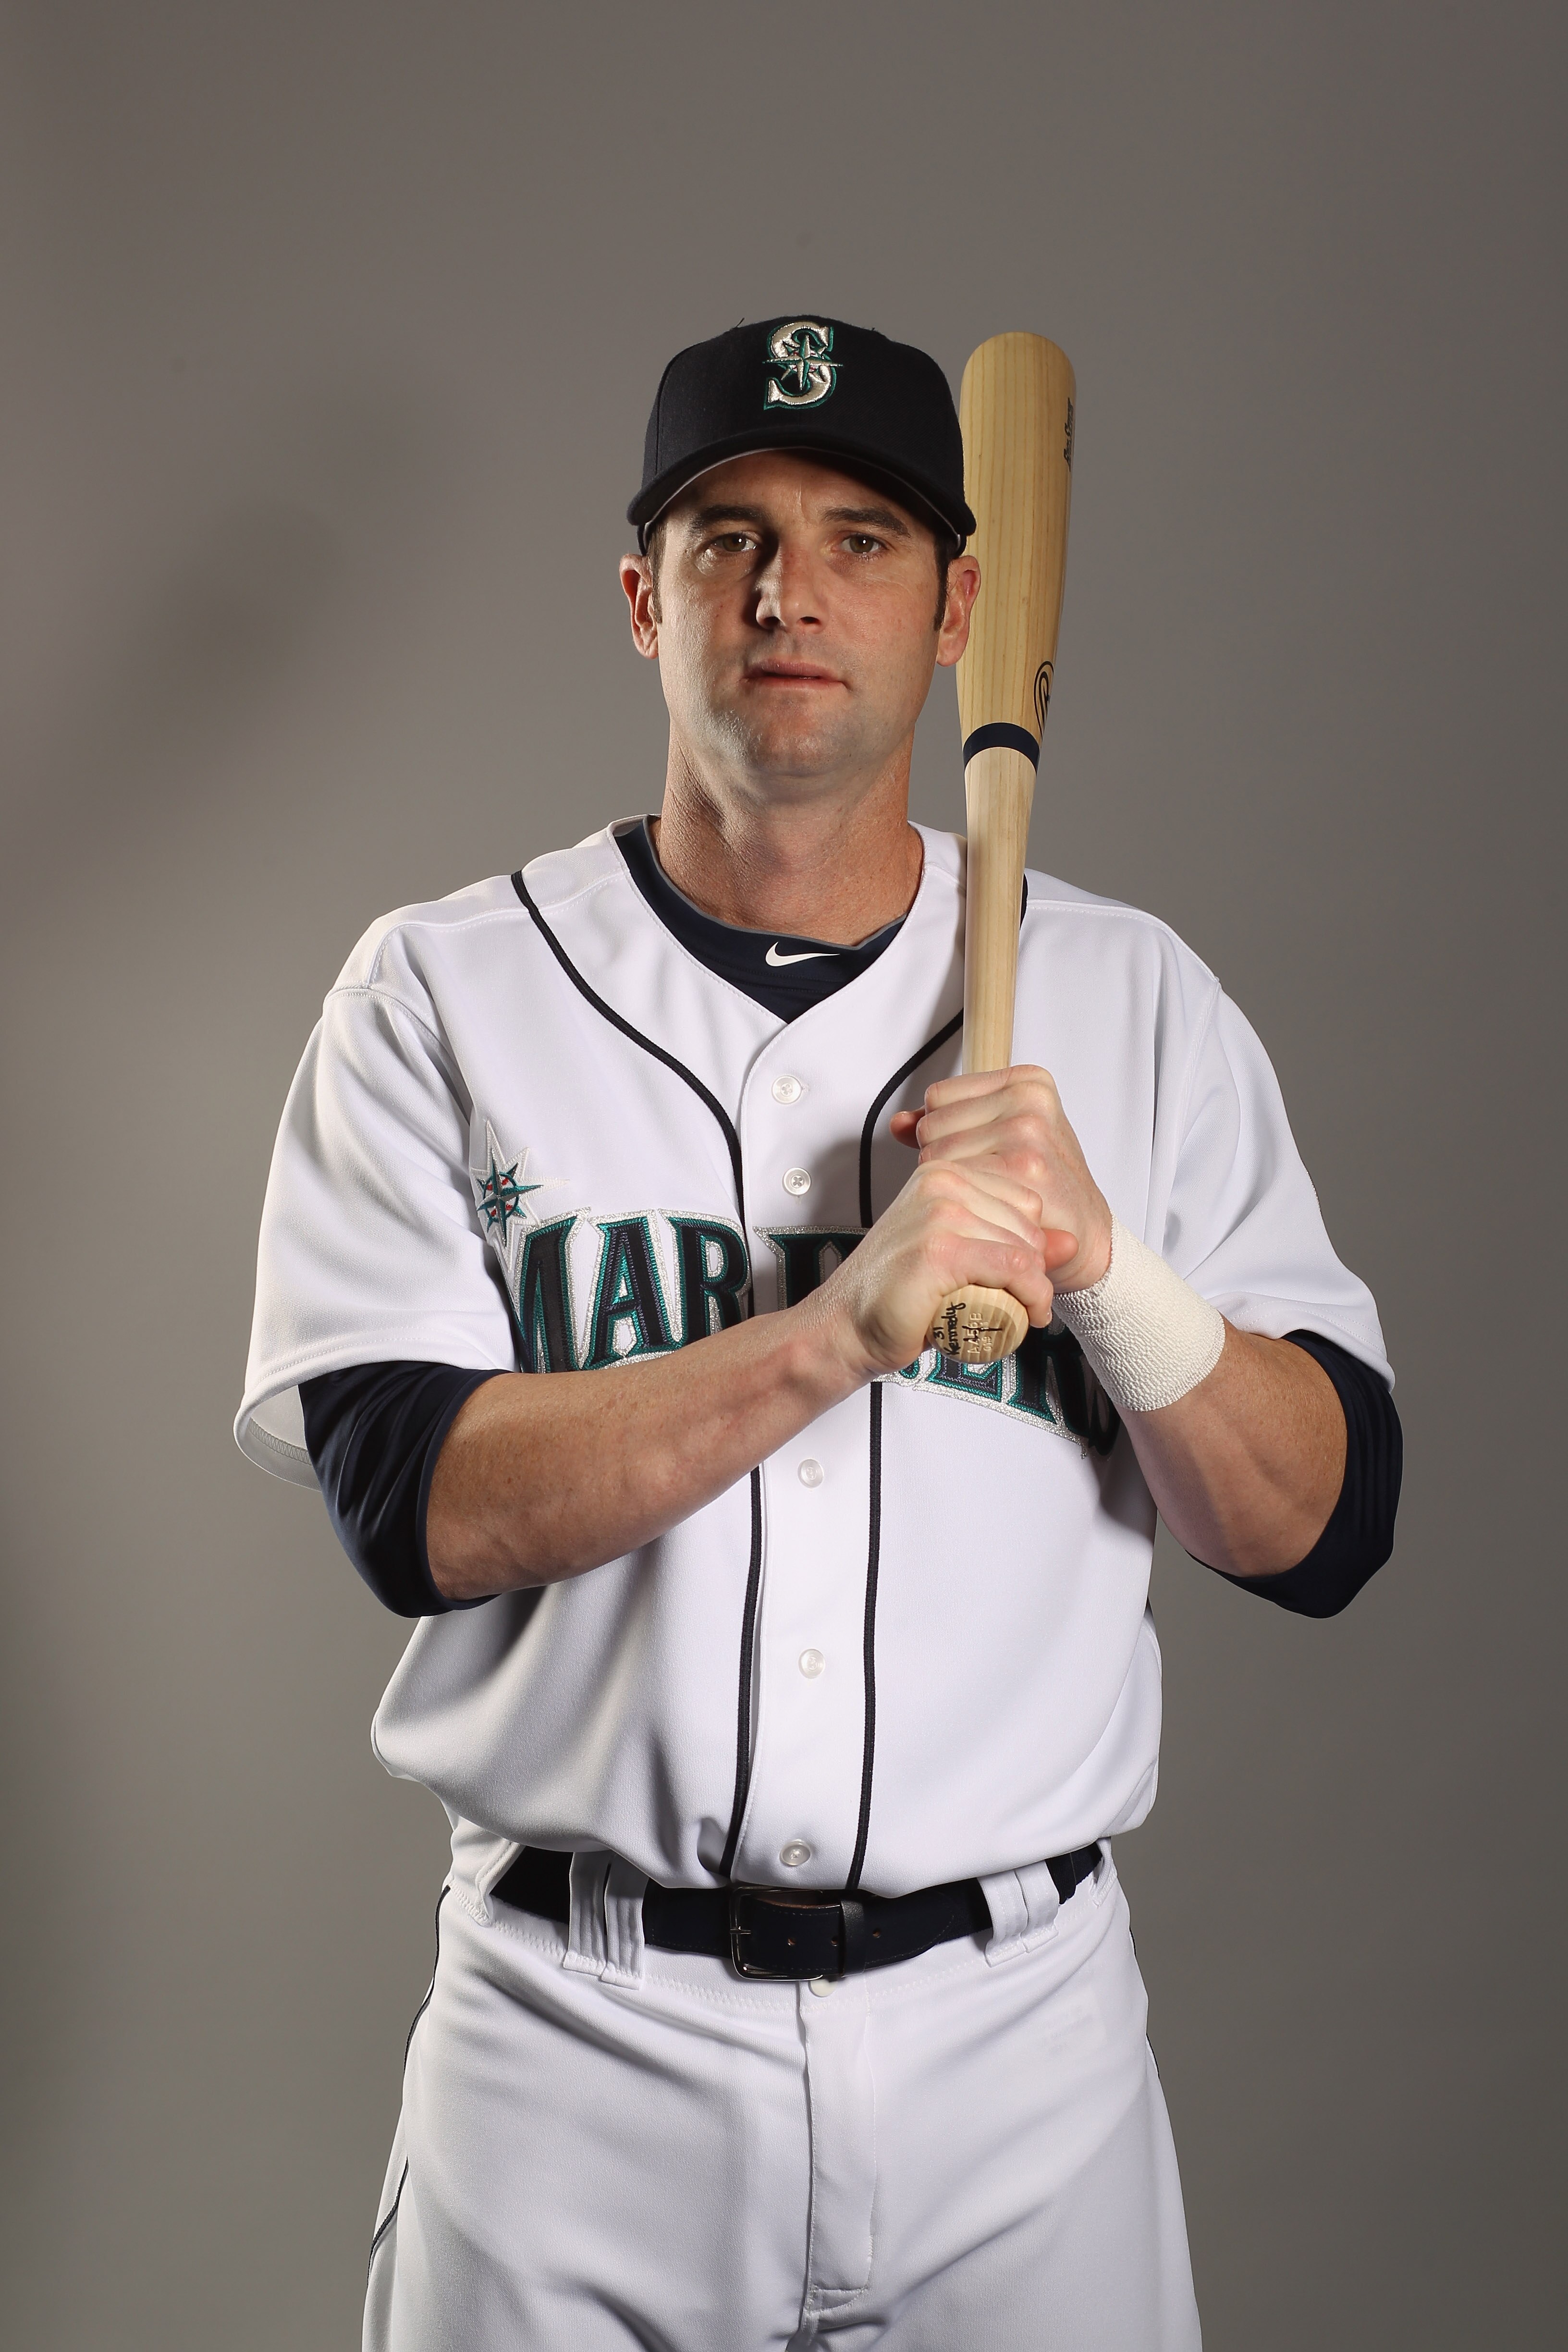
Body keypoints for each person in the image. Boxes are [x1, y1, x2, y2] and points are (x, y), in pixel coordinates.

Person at [237, 314, 1400, 2350]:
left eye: (862, 536)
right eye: (727, 536)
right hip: (575, 2050)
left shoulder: (1132, 1001)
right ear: (641, 600)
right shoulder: (437, 994)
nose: (790, 590)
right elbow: (413, 1503)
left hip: (1018, 2058)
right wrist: (844, 1318)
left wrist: (1108, 1279)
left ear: (964, 612)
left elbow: (1325, 1527)